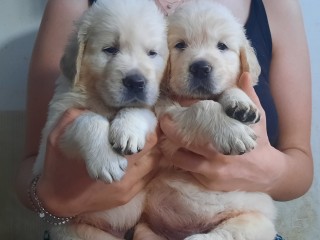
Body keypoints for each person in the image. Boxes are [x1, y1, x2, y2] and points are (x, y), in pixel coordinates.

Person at [15, 0, 312, 239]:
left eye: (223, 47)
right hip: (110, 225)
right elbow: (32, 162)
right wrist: (53, 199)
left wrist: (267, 170)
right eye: (179, 46)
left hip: (232, 220)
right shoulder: (76, 7)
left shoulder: (277, 6)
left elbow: (301, 168)